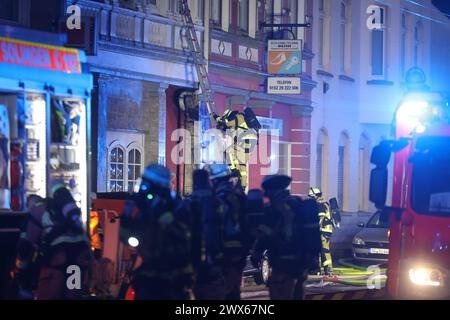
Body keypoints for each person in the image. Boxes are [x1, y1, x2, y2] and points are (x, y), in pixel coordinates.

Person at [119, 164, 194, 300]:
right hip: (149, 274)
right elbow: (127, 237)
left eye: (145, 184)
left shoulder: (176, 208)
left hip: (172, 278)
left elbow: (185, 237)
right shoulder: (145, 209)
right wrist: (126, 217)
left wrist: (166, 220)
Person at [14, 182, 91, 300]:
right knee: (72, 293)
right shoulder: (58, 209)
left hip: (58, 256)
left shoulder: (36, 210)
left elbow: (27, 245)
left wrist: (20, 270)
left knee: (50, 291)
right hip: (78, 253)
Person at [253, 175, 321, 300]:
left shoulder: (272, 209)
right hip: (301, 265)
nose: (266, 194)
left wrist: (255, 253)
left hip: (282, 265)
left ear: (272, 190)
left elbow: (264, 236)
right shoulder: (298, 204)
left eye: (267, 190)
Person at [208, 164, 248, 300]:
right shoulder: (239, 197)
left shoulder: (220, 199)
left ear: (215, 181)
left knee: (223, 292)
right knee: (233, 292)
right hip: (239, 253)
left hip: (225, 254)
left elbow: (217, 226)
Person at [188, 169, 226, 300]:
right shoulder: (218, 203)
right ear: (208, 182)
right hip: (216, 260)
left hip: (193, 260)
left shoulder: (187, 203)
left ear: (194, 183)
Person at [309, 187, 334, 276]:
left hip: (323, 231)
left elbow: (320, 218)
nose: (310, 199)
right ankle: (316, 270)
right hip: (320, 231)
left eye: (311, 197)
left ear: (316, 196)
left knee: (324, 250)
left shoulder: (321, 205)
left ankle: (328, 269)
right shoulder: (319, 204)